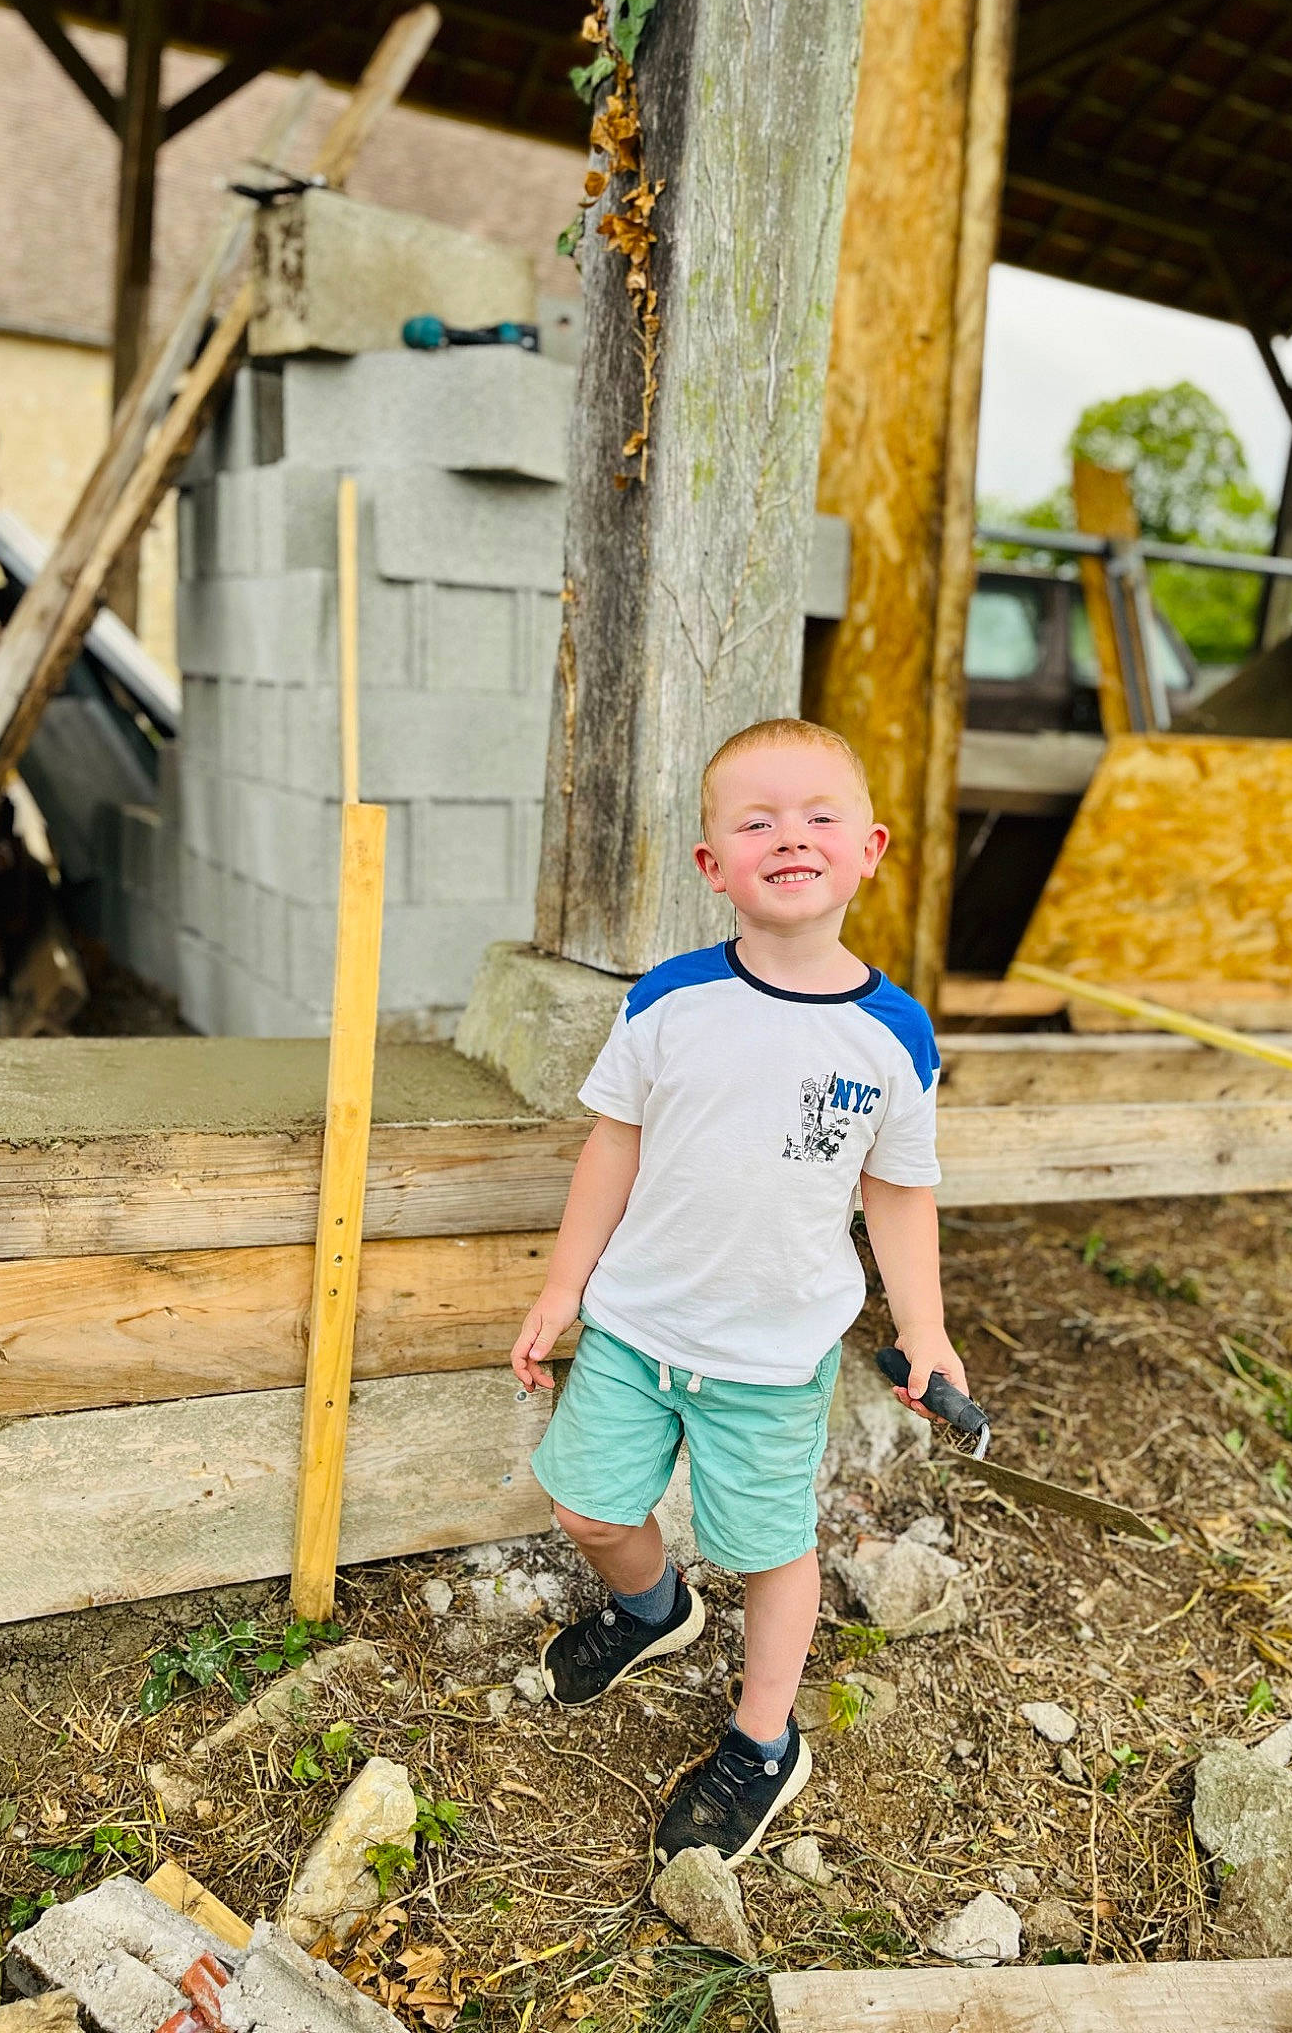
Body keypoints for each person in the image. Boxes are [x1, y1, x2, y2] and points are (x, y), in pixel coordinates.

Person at [510, 716, 966, 1867]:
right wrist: (564, 1286)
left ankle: (764, 1737)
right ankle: (655, 1608)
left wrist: (924, 1327)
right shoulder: (667, 1001)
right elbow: (611, 1146)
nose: (789, 836)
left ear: (869, 848)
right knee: (591, 1509)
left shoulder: (891, 1034)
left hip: (770, 1353)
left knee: (767, 1547)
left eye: (817, 816)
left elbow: (900, 1195)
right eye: (755, 819)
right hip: (635, 1323)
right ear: (713, 864)